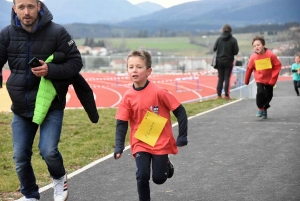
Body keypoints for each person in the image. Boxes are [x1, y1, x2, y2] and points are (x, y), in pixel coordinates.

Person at [0, 0, 86, 200]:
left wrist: (51, 70)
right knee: (20, 158)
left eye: (30, 6)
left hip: (50, 104)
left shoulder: (57, 32)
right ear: (14, 9)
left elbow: (76, 62)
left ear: (39, 6)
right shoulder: (6, 35)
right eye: (21, 7)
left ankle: (59, 177)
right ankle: (30, 195)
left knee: (48, 151)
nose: (26, 11)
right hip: (21, 106)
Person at [114, 50, 188, 201]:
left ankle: (166, 163)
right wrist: (119, 145)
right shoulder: (127, 96)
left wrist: (182, 135)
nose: (134, 70)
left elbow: (180, 111)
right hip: (140, 141)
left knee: (159, 179)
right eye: (130, 67)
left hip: (160, 141)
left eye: (139, 67)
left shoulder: (159, 92)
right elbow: (121, 122)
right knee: (142, 175)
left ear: (148, 71)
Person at [244, 36, 282, 119]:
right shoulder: (253, 57)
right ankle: (260, 108)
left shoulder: (271, 55)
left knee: (269, 95)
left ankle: (264, 109)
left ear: (263, 45)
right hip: (259, 78)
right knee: (260, 92)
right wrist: (246, 80)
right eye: (254, 46)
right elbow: (249, 69)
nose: (256, 47)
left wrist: (273, 79)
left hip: (269, 79)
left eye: (258, 45)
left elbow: (277, 66)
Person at [213, 24, 239, 99]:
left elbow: (214, 49)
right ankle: (227, 95)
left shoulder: (219, 39)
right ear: (230, 30)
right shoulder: (233, 40)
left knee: (220, 78)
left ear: (223, 30)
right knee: (227, 77)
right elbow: (236, 52)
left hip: (219, 61)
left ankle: (218, 95)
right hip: (228, 61)